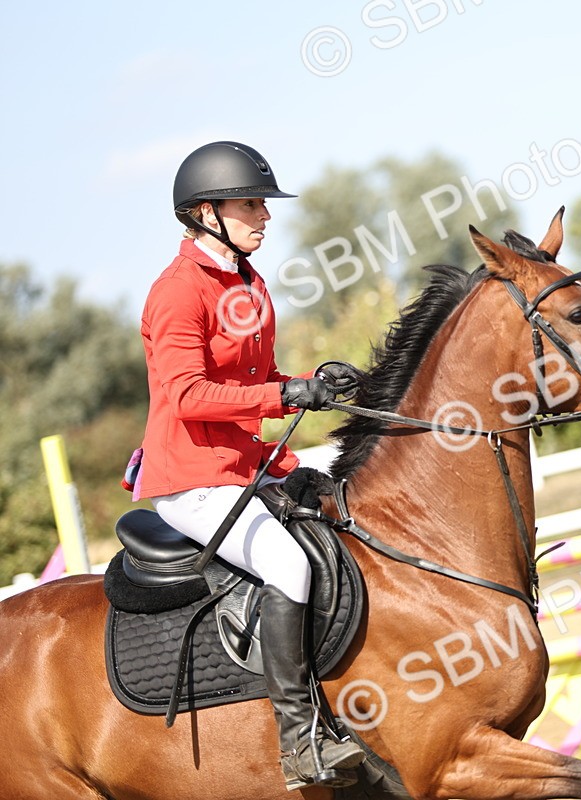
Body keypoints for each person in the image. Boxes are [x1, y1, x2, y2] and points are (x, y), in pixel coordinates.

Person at [136, 140, 364, 791]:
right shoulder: (177, 292)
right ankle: (300, 741)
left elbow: (256, 383)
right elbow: (187, 396)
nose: (265, 215)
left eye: (263, 205)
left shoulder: (246, 282)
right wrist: (283, 395)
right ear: (207, 212)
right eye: (250, 204)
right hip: (193, 480)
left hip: (245, 468)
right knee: (288, 563)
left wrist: (309, 384)